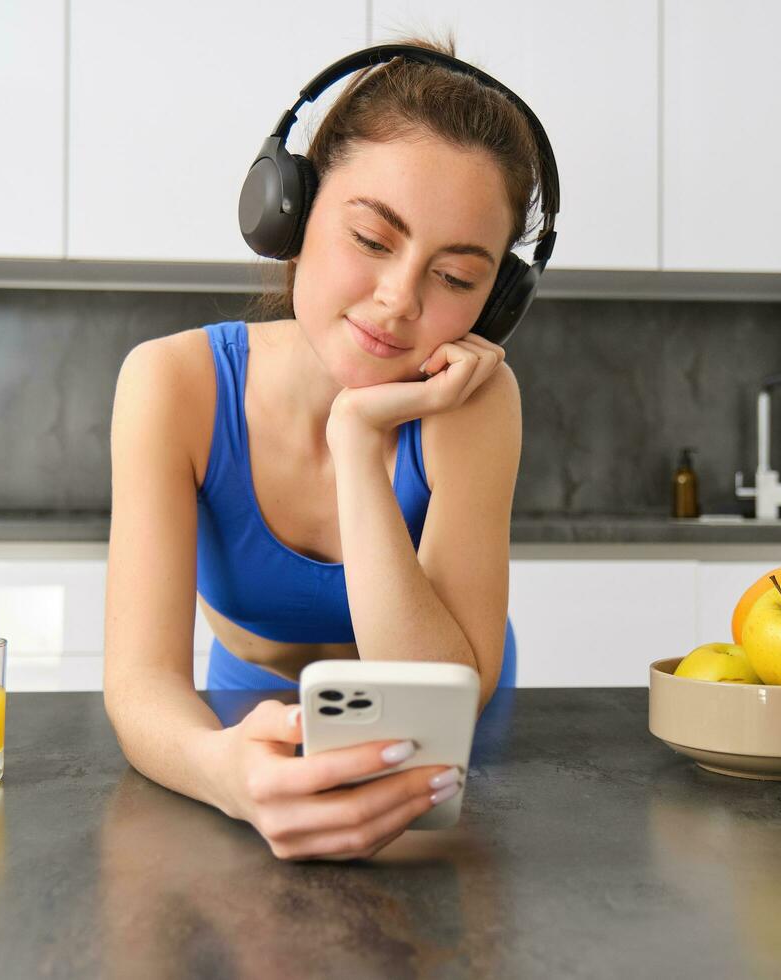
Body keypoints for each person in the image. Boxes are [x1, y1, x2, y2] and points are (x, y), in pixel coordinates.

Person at [103, 37, 553, 861]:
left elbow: (440, 689)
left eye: (455, 279)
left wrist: (357, 437)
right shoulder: (172, 384)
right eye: (374, 240)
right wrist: (220, 769)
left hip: (443, 731)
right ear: (293, 211)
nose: (397, 301)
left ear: (496, 304)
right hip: (248, 713)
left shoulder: (476, 404)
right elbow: (141, 685)